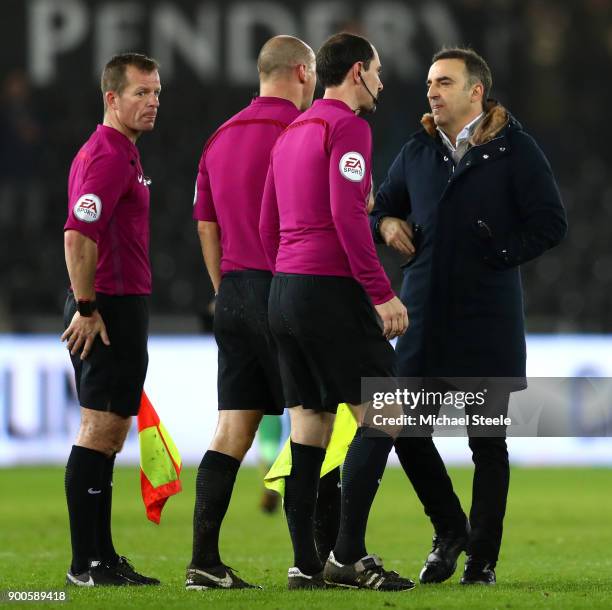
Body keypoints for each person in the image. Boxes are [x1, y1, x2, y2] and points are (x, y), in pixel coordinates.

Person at [370, 47, 567, 585]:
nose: (431, 90)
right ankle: (451, 528)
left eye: (444, 82)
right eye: (430, 81)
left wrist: (497, 253)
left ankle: (481, 560)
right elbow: (381, 205)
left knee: (487, 443)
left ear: (476, 91)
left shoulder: (516, 150)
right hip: (423, 313)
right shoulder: (417, 150)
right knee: (397, 425)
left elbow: (551, 223)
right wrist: (387, 225)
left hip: (487, 316)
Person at [260, 32, 414, 591]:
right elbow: (347, 217)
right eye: (376, 70)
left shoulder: (291, 131)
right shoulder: (348, 127)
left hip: (284, 289)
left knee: (309, 426)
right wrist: (379, 291)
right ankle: (347, 555)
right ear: (355, 73)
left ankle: (305, 564)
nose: (380, 81)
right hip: (329, 288)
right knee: (388, 407)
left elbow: (265, 223)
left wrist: (289, 277)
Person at [187, 35, 342, 591]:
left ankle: (203, 559)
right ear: (303, 72)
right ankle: (313, 559)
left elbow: (206, 225)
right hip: (292, 290)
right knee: (317, 424)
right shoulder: (306, 133)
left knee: (232, 428)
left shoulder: (219, 137)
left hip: (233, 290)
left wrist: (225, 288)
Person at [61, 53, 161, 586]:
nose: (152, 103)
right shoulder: (107, 155)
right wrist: (87, 307)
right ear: (111, 99)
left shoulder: (122, 154)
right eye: (141, 93)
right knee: (100, 430)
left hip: (119, 303)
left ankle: (101, 557)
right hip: (109, 306)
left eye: (156, 93)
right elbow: (78, 233)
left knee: (111, 431)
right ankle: (87, 563)